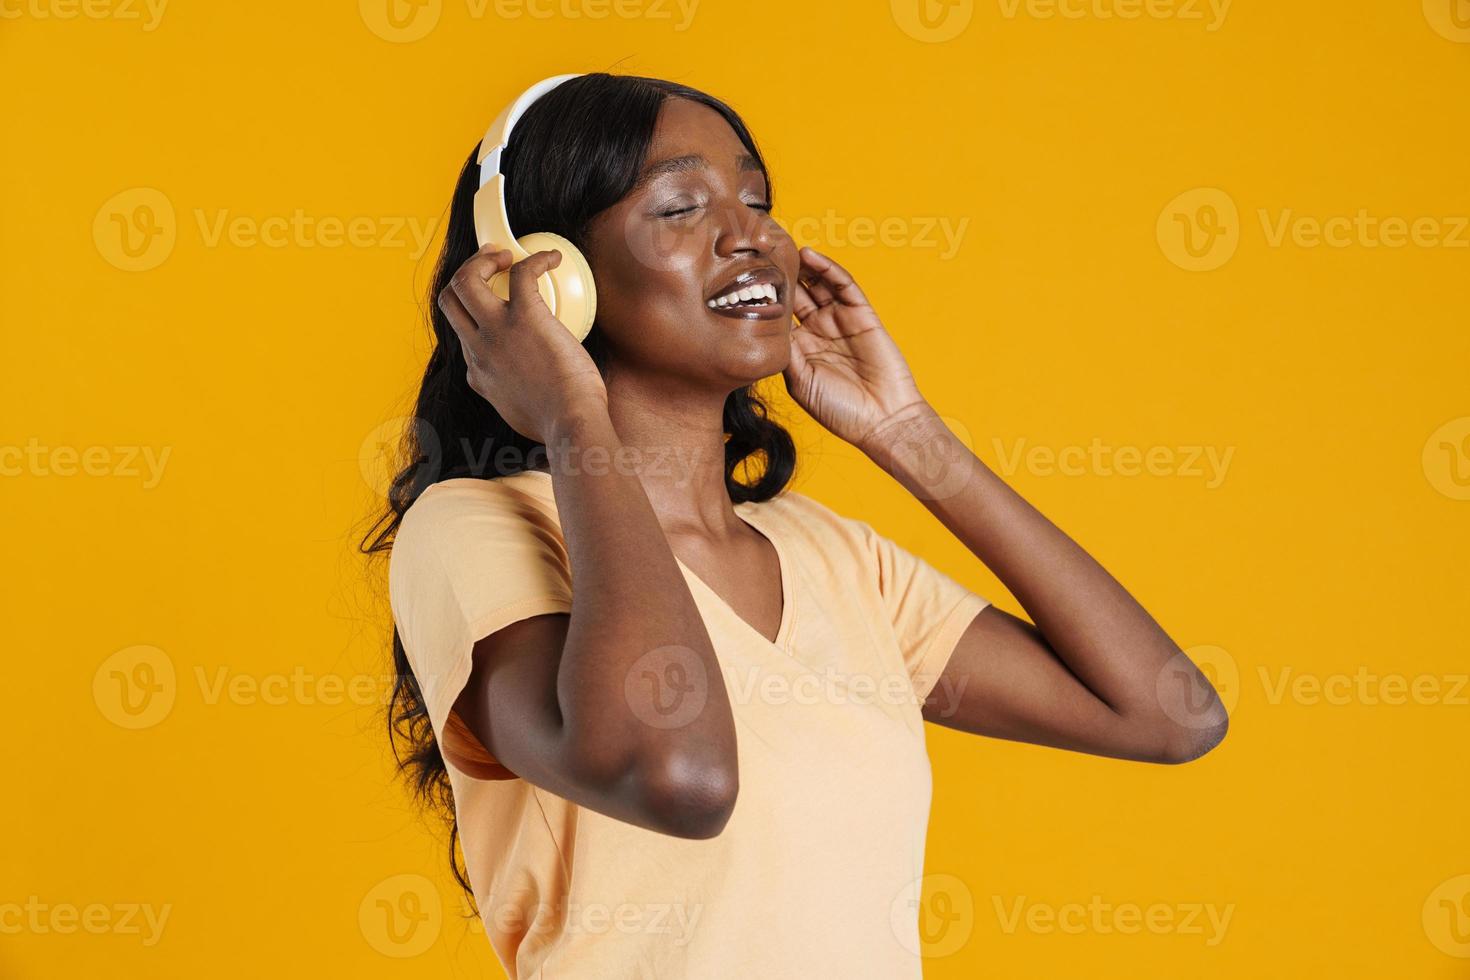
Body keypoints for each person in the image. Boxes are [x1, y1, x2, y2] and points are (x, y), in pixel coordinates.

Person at [362, 71, 1227, 979]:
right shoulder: (474, 531)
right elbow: (680, 778)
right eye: (681, 206)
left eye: (758, 199)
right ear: (550, 278)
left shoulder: (832, 553)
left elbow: (1168, 715)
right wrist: (574, 420)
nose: (752, 235)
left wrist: (907, 435)